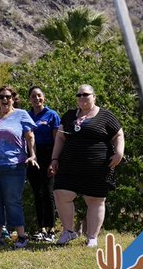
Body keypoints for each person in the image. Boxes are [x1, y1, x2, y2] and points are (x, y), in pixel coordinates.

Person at [49, 85, 125, 248]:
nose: (82, 97)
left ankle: (92, 237)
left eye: (86, 94)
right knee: (61, 193)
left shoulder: (106, 116)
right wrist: (54, 158)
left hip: (97, 167)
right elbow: (60, 138)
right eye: (79, 95)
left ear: (94, 96)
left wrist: (119, 153)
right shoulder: (69, 116)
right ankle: (68, 232)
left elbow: (119, 134)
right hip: (69, 166)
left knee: (95, 200)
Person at [0, 86, 37, 249]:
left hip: (13, 165)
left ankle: (21, 236)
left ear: (13, 99)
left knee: (12, 201)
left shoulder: (21, 115)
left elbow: (29, 136)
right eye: (1, 97)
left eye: (8, 97)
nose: (5, 100)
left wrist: (32, 155)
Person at [26, 86, 62, 242]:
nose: (36, 99)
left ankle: (52, 229)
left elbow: (57, 139)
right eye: (33, 96)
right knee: (37, 193)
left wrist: (55, 160)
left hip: (49, 155)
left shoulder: (52, 115)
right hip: (32, 156)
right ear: (30, 99)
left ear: (44, 98)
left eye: (39, 96)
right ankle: (40, 228)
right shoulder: (26, 115)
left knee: (48, 193)